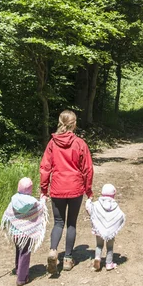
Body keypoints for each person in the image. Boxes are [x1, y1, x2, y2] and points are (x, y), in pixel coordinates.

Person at [40, 109, 94, 274]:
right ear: (74, 124)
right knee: (71, 223)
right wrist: (89, 191)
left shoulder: (52, 143)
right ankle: (68, 259)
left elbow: (45, 168)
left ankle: (53, 250)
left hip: (57, 188)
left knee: (58, 223)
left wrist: (43, 190)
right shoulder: (80, 143)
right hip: (75, 188)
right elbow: (88, 169)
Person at [1, 177, 48, 286]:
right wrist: (43, 199)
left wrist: (5, 225)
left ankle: (18, 269)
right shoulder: (33, 202)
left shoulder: (14, 200)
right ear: (30, 189)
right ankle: (22, 278)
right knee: (25, 253)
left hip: (15, 232)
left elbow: (8, 214)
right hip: (27, 234)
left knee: (19, 250)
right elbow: (41, 207)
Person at [85, 183, 125, 271]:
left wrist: (89, 200)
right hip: (111, 231)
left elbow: (89, 208)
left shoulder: (97, 204)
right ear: (113, 194)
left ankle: (97, 258)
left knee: (99, 245)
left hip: (98, 229)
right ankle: (109, 263)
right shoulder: (114, 205)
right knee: (110, 247)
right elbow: (120, 215)